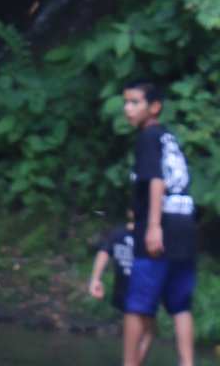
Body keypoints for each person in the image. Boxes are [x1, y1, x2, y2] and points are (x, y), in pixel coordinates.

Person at [122, 78, 197, 366]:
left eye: (135, 103)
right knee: (180, 305)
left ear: (154, 107)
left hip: (162, 227)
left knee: (138, 305)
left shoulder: (147, 137)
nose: (128, 109)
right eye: (126, 102)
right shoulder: (168, 137)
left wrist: (153, 225)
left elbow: (156, 180)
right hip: (184, 227)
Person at [89, 210, 137, 315]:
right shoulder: (118, 233)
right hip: (121, 291)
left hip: (143, 292)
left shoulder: (152, 236)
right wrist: (95, 279)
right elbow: (104, 252)